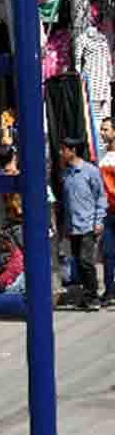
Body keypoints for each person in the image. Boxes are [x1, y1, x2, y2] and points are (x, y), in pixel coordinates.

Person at [60, 136, 104, 310]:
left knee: (86, 261)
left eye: (64, 150)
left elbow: (100, 196)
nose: (61, 153)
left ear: (73, 151)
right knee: (78, 262)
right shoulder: (66, 174)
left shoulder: (90, 171)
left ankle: (93, 297)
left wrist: (98, 220)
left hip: (88, 224)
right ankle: (87, 296)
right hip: (73, 226)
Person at [99, 119, 115, 305]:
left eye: (106, 129)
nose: (102, 133)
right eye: (102, 129)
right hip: (108, 212)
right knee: (108, 253)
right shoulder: (103, 156)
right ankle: (109, 291)